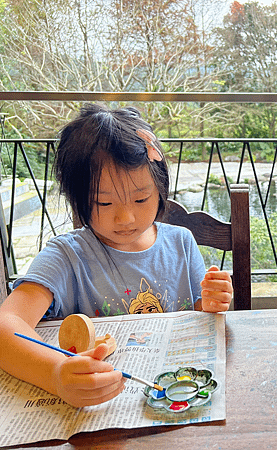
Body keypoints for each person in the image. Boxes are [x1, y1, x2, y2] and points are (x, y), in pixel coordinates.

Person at [0, 104, 232, 407]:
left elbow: (203, 318)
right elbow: (7, 326)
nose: (125, 218)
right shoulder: (67, 255)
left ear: (160, 189)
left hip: (174, 391)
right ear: (78, 200)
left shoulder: (181, 242)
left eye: (140, 198)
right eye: (104, 203)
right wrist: (55, 373)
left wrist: (214, 301)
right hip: (102, 402)